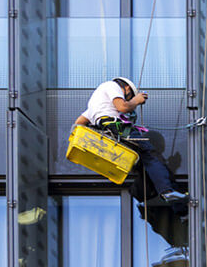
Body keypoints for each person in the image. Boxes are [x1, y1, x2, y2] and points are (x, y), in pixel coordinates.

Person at [75, 77, 190, 209]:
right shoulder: (111, 85)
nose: (127, 100)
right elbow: (123, 107)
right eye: (128, 97)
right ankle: (167, 192)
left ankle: (178, 207)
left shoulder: (95, 103)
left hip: (107, 129)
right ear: (127, 88)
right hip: (116, 127)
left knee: (145, 162)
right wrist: (136, 100)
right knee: (150, 155)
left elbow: (79, 123)